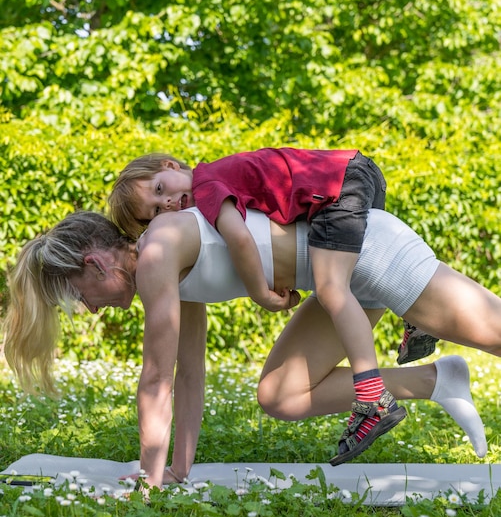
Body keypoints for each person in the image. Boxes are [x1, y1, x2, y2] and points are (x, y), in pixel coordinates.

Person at [4, 205, 496, 490]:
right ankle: (437, 380)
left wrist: (146, 483)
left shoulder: (155, 255)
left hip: (366, 250)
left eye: (77, 295)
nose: (89, 310)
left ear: (95, 265)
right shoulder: (169, 264)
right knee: (280, 395)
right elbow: (187, 373)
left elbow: (155, 380)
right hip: (339, 277)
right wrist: (174, 470)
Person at [108, 150, 438, 465]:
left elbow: (239, 238)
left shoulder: (207, 185)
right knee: (350, 271)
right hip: (353, 174)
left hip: (339, 181)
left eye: (160, 189)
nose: (165, 203)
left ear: (171, 165)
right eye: (154, 211)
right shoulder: (213, 184)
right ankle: (414, 317)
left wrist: (261, 294)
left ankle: (371, 396)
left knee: (331, 287)